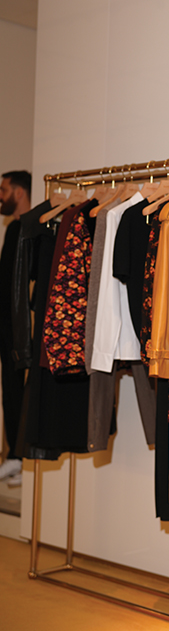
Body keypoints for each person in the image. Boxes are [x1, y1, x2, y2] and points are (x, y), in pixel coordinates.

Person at [0, 170, 32, 485]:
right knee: (10, 389)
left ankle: (21, 457)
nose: (1, 195)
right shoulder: (13, 229)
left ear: (19, 192)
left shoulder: (32, 227)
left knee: (22, 389)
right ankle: (15, 456)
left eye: (4, 189)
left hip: (24, 324)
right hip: (8, 323)